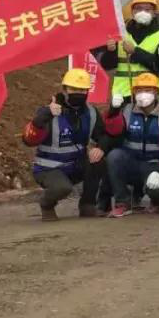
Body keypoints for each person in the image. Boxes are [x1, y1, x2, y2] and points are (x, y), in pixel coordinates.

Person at [22, 68, 112, 222]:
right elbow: (29, 140)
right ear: (64, 90)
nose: (78, 93)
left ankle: (88, 205)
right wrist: (43, 117)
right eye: (73, 89)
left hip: (75, 165)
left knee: (99, 162)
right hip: (49, 169)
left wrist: (100, 148)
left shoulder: (91, 112)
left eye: (82, 90)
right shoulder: (49, 112)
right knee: (62, 188)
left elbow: (103, 135)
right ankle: (46, 204)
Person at [103, 73, 159, 217]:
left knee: (157, 189)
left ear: (156, 92)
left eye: (148, 90)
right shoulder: (127, 110)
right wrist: (113, 111)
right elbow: (114, 131)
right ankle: (122, 202)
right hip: (132, 162)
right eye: (139, 90)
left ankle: (156, 202)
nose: (143, 94)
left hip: (154, 165)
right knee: (114, 156)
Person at [99, 0, 159, 99]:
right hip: (123, 95)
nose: (142, 12)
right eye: (138, 9)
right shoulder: (120, 34)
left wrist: (135, 52)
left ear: (154, 12)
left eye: (147, 9)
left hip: (151, 94)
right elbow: (107, 66)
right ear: (132, 11)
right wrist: (110, 52)